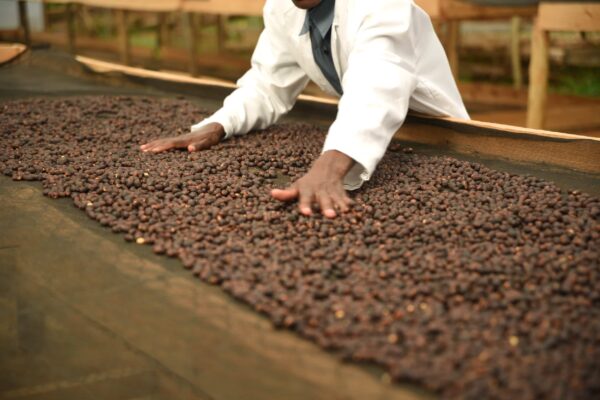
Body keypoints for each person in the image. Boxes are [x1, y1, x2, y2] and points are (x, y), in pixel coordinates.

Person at [141, 0, 469, 218]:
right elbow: (267, 83)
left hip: (442, 140)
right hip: (367, 136)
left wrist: (329, 168)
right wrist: (217, 125)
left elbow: (378, 83)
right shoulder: (282, 7)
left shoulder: (381, 3)